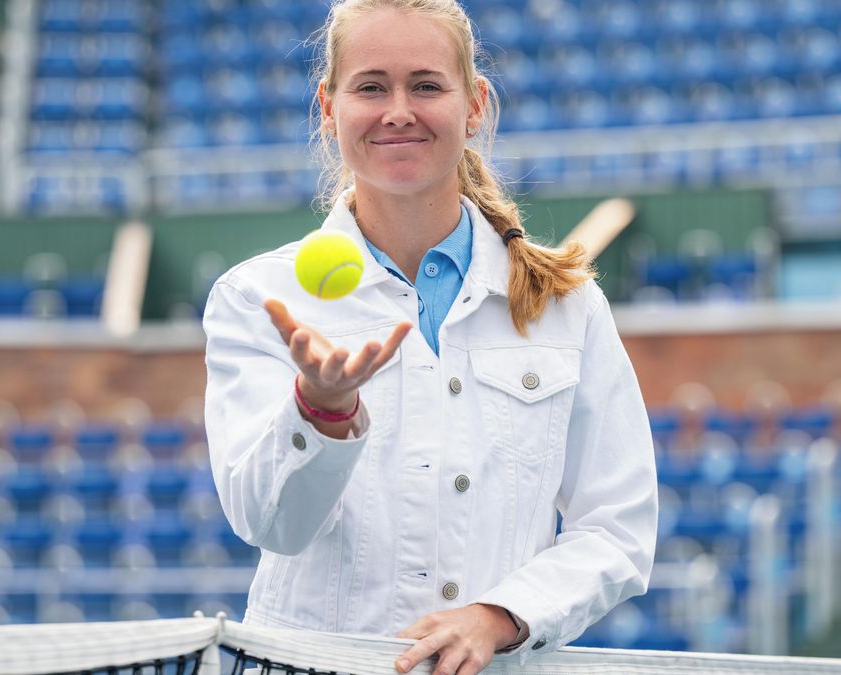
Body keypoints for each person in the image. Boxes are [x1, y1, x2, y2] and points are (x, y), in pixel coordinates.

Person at [202, 1, 658, 673]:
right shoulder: (257, 299)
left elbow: (617, 526)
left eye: (425, 85)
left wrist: (501, 616)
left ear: (474, 105)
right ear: (328, 108)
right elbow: (269, 522)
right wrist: (320, 409)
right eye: (370, 86)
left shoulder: (569, 304)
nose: (398, 110)